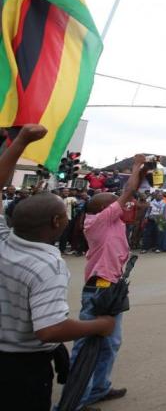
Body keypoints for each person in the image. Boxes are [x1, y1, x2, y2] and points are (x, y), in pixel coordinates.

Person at [0, 124, 115, 411]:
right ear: (55, 223)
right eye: (64, 215)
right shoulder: (46, 265)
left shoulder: (4, 238)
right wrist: (99, 326)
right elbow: (50, 330)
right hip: (22, 365)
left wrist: (21, 141)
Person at [69, 154, 145, 408]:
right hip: (99, 288)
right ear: (104, 210)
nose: (121, 205)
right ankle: (76, 400)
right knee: (87, 344)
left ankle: (99, 388)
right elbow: (129, 191)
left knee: (111, 342)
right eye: (115, 203)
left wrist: (144, 171)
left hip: (112, 287)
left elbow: (133, 194)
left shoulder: (113, 221)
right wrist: (136, 165)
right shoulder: (98, 223)